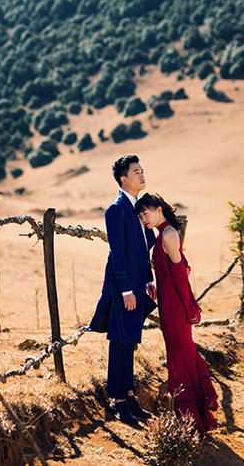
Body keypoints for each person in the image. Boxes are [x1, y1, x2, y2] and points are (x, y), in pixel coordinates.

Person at [135, 193, 218, 434]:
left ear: (158, 209)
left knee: (180, 358)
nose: (143, 219)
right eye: (140, 216)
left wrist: (188, 306)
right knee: (181, 355)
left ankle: (190, 421)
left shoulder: (169, 234)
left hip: (175, 305)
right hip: (169, 302)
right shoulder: (164, 234)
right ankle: (191, 418)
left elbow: (181, 276)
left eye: (146, 213)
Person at [89, 154, 157, 428]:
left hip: (138, 283)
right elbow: (117, 252)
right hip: (122, 286)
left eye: (143, 170)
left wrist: (149, 279)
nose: (142, 174)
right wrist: (127, 289)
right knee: (120, 340)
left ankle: (128, 395)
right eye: (136, 171)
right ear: (123, 179)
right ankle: (116, 400)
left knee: (130, 339)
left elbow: (141, 250)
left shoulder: (136, 208)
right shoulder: (116, 209)